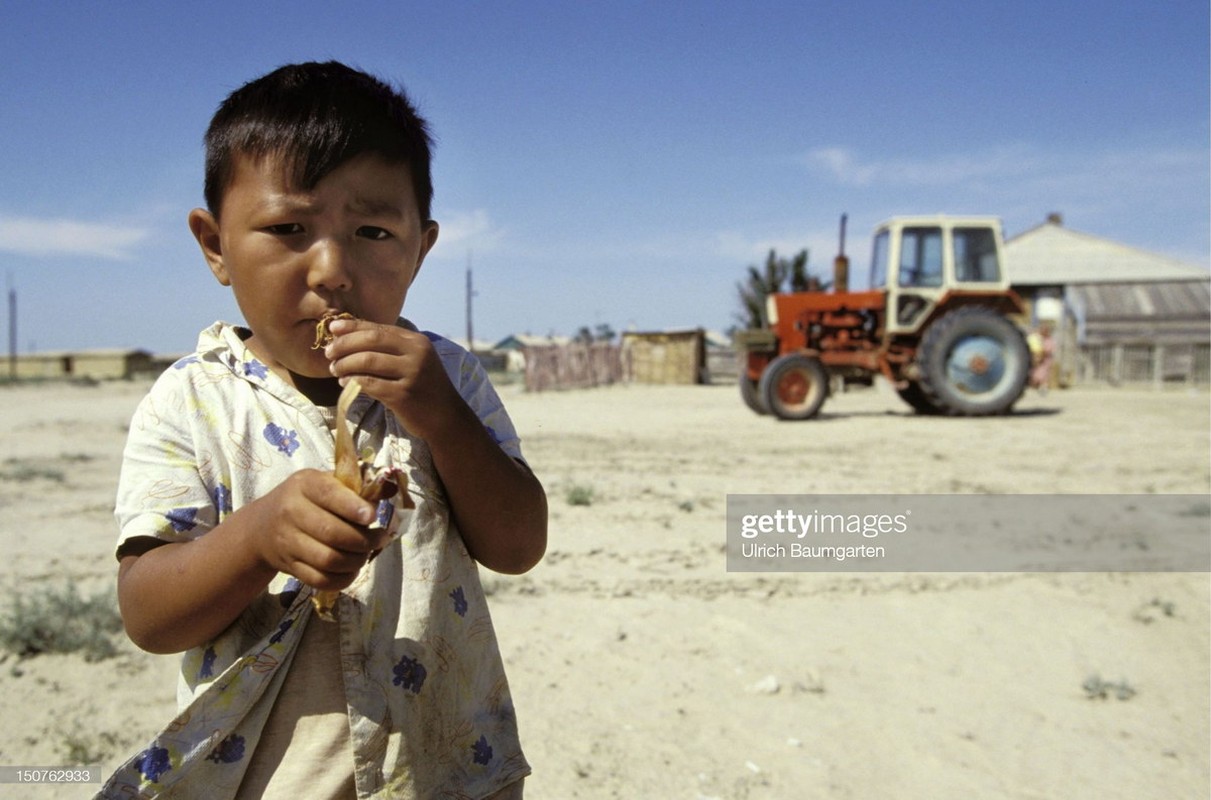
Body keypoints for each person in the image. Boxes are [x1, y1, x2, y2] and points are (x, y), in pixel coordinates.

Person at [98, 61, 547, 799]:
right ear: (215, 245)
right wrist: (256, 536)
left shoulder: (450, 378)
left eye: (372, 230)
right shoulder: (191, 400)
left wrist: (439, 416)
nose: (333, 269)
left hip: (447, 771)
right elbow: (149, 614)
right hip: (271, 780)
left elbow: (518, 544)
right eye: (288, 229)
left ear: (420, 248)